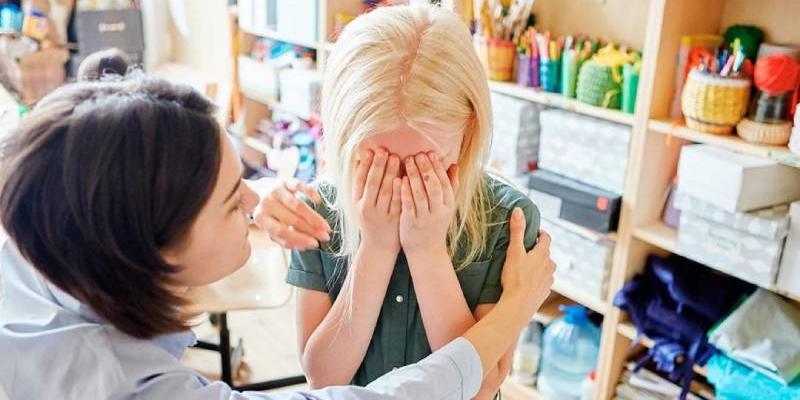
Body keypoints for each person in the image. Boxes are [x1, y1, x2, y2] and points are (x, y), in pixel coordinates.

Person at [0, 75, 555, 399]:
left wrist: (248, 191)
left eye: (245, 175)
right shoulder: (122, 385)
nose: (258, 201)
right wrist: (515, 309)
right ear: (148, 251)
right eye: (231, 197)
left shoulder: (38, 233)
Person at [284, 5, 544, 399]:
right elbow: (322, 378)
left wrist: (426, 250)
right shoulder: (319, 210)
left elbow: (480, 387)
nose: (403, 188)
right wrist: (376, 246)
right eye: (378, 165)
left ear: (469, 128)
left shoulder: (509, 219)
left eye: (427, 167)